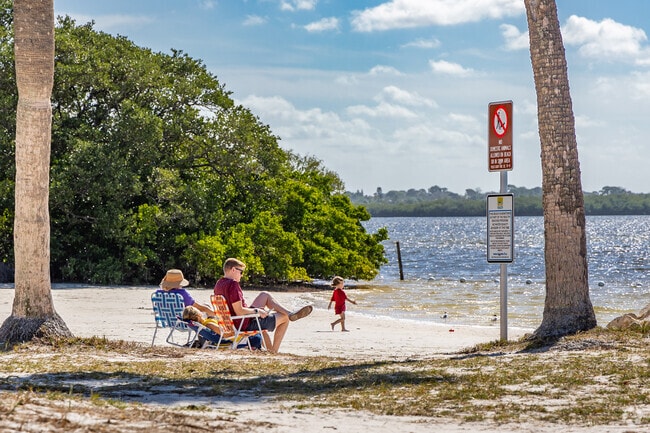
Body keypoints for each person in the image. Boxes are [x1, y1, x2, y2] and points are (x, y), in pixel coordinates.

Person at [213, 258, 313, 353]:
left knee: (264, 295)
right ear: (233, 269)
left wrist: (255, 310)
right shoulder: (233, 284)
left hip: (232, 322)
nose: (242, 275)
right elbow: (239, 310)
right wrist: (257, 311)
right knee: (284, 318)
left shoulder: (219, 284)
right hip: (243, 323)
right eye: (241, 272)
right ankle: (274, 351)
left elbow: (235, 309)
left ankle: (290, 313)